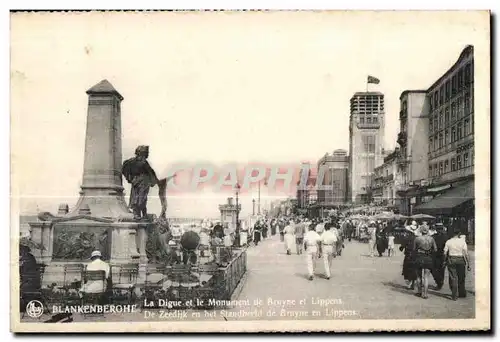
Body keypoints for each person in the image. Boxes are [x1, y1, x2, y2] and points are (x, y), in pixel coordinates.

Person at [122, 145, 161, 220]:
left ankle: (142, 214)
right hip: (140, 182)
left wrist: (130, 179)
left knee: (140, 199)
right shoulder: (135, 162)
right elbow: (151, 172)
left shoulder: (134, 162)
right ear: (142, 153)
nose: (147, 155)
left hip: (140, 182)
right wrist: (130, 179)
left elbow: (151, 172)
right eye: (146, 153)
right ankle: (140, 215)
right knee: (138, 199)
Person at [443, 229, 471, 300]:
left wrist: (444, 261)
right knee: (461, 277)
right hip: (460, 259)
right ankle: (462, 293)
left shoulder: (448, 241)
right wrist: (468, 264)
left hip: (451, 259)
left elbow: (445, 252)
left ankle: (454, 295)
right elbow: (466, 253)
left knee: (453, 277)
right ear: (459, 233)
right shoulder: (462, 241)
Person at [413, 226, 437, 299]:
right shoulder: (431, 239)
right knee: (426, 277)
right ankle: (425, 293)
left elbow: (414, 249)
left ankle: (419, 292)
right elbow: (435, 249)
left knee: (418, 276)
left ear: (421, 231)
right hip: (428, 257)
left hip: (419, 257)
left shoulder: (417, 239)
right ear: (427, 231)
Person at [431, 223, 448, 290]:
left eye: (440, 229)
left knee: (439, 270)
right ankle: (439, 282)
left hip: (441, 255)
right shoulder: (433, 236)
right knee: (436, 270)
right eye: (438, 229)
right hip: (436, 255)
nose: (439, 230)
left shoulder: (445, 237)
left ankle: (439, 283)